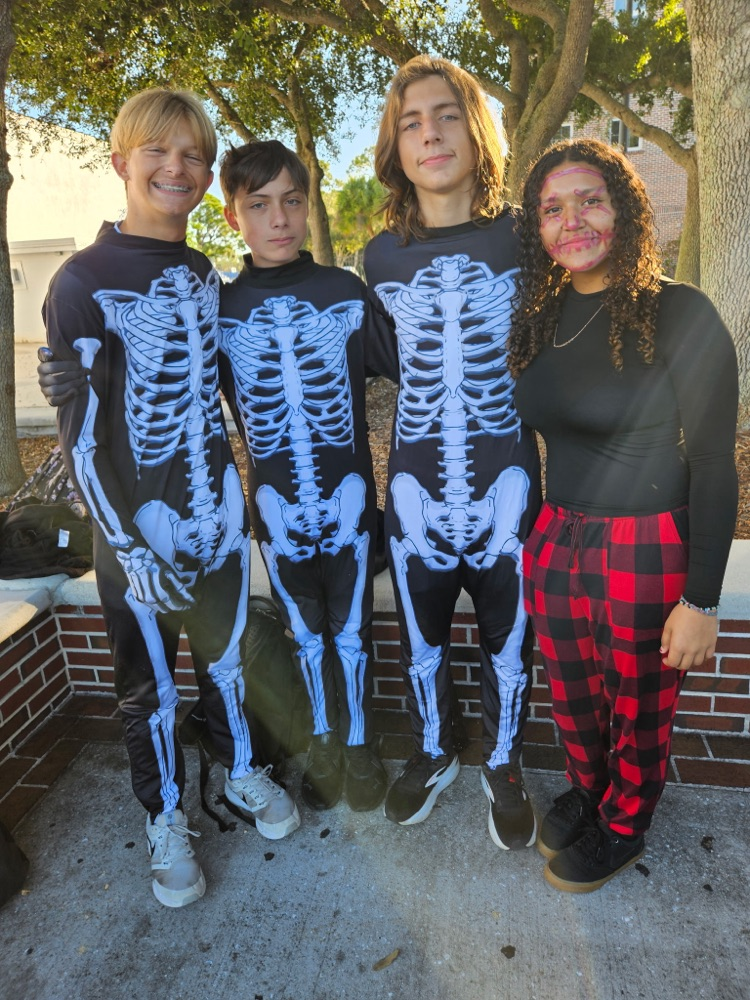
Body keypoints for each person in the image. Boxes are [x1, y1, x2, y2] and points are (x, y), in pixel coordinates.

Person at [41, 89, 300, 909]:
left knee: (227, 662)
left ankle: (245, 772)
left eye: (191, 154)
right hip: (136, 529)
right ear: (121, 162)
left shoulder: (198, 272)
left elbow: (219, 393)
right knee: (147, 687)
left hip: (214, 508)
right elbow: (79, 441)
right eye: (156, 151)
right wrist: (125, 552)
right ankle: (163, 819)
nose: (175, 168)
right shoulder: (82, 280)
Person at [509, 138, 738, 892]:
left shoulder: (680, 311)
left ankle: (626, 822)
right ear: (537, 229)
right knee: (573, 695)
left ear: (625, 209)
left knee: (638, 703)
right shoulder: (539, 322)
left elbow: (713, 463)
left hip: (646, 544)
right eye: (552, 209)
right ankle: (588, 789)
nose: (572, 220)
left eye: (590, 200)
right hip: (557, 541)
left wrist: (702, 598)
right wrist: (533, 541)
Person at [363, 55, 542, 849]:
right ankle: (434, 748)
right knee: (420, 636)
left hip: (509, 485)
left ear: (476, 131)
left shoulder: (527, 237)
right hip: (415, 491)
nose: (429, 133)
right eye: (411, 122)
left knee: (511, 638)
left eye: (444, 114)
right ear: (395, 149)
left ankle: (503, 760)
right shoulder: (379, 258)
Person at [216, 140, 399, 812]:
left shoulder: (343, 291)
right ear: (234, 216)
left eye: (293, 200)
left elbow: (410, 359)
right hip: (276, 506)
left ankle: (360, 746)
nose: (280, 218)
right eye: (259, 205)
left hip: (350, 498)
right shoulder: (220, 310)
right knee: (305, 628)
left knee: (353, 627)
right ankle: (322, 742)